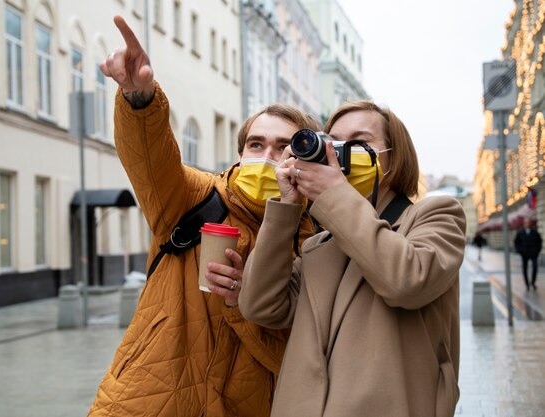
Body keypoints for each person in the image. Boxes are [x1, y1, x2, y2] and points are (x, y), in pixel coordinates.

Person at [87, 16, 320, 417]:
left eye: (284, 147)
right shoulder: (196, 195)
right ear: (240, 152)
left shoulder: (314, 239)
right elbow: (150, 157)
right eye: (256, 143)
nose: (266, 157)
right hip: (154, 402)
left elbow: (300, 360)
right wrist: (139, 99)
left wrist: (248, 299)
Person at [239, 101, 467, 417]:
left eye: (359, 143)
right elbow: (260, 306)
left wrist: (334, 195)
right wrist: (286, 208)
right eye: (332, 142)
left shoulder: (436, 215)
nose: (341, 152)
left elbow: (407, 281)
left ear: (394, 157)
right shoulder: (323, 243)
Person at [514, 217, 542, 291]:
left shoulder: (535, 232)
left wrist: (537, 251)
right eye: (526, 222)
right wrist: (520, 251)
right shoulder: (520, 233)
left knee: (535, 267)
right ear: (524, 224)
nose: (527, 224)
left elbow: (539, 242)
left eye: (528, 222)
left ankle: (533, 282)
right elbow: (516, 243)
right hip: (524, 254)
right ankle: (527, 284)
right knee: (524, 269)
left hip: (534, 253)